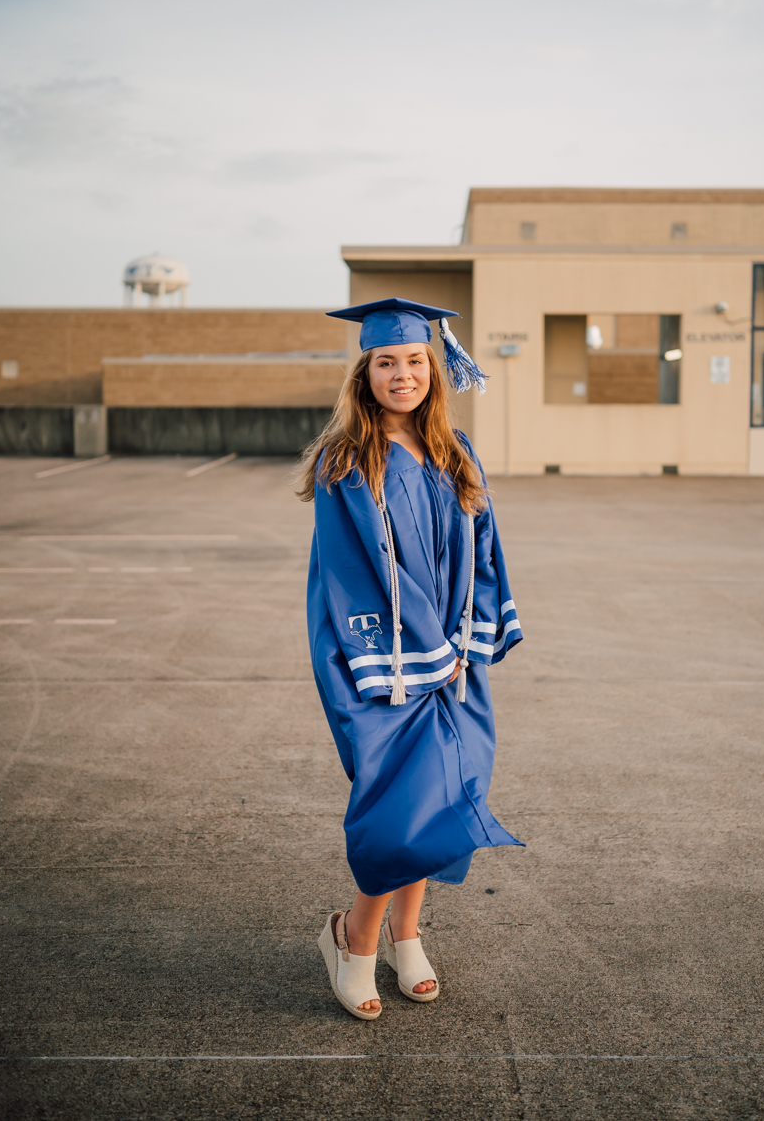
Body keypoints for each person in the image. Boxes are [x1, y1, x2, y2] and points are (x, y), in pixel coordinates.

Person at [298, 298, 523, 1020]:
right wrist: (431, 648)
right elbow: (355, 573)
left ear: (434, 368)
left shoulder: (456, 450)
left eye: (416, 361)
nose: (403, 374)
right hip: (381, 657)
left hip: (452, 655)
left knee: (439, 796)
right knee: (398, 803)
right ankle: (354, 939)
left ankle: (407, 934)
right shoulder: (346, 462)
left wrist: (468, 635)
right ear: (364, 375)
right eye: (387, 363)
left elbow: (484, 550)